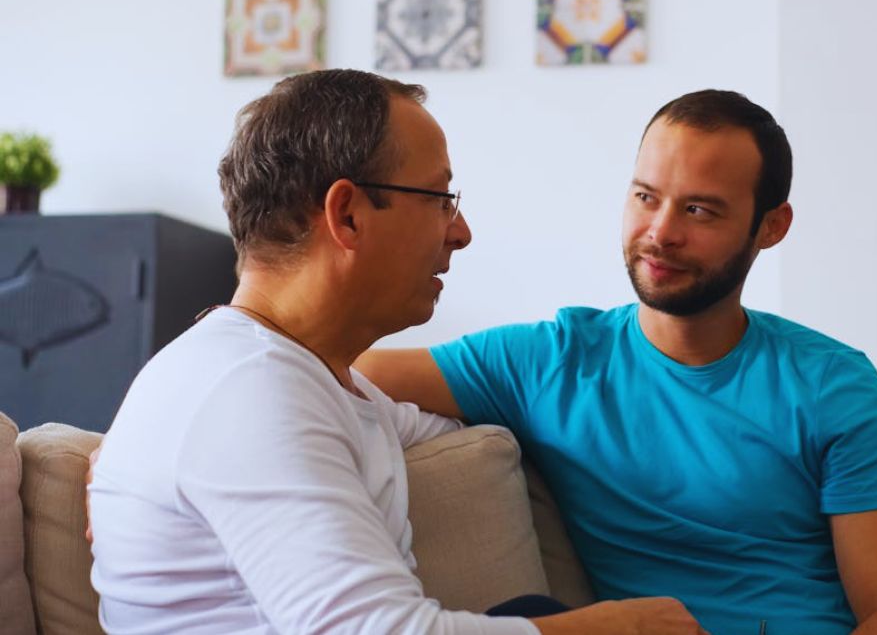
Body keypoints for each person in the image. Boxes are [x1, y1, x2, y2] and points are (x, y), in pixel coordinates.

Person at [87, 69, 705, 634]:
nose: (460, 232)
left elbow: (431, 426)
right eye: (440, 199)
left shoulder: (303, 385)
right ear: (348, 214)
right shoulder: (248, 390)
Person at [356, 90, 877, 634]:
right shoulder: (550, 361)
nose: (661, 234)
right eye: (646, 197)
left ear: (771, 227)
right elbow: (332, 368)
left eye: (700, 211)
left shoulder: (833, 383)